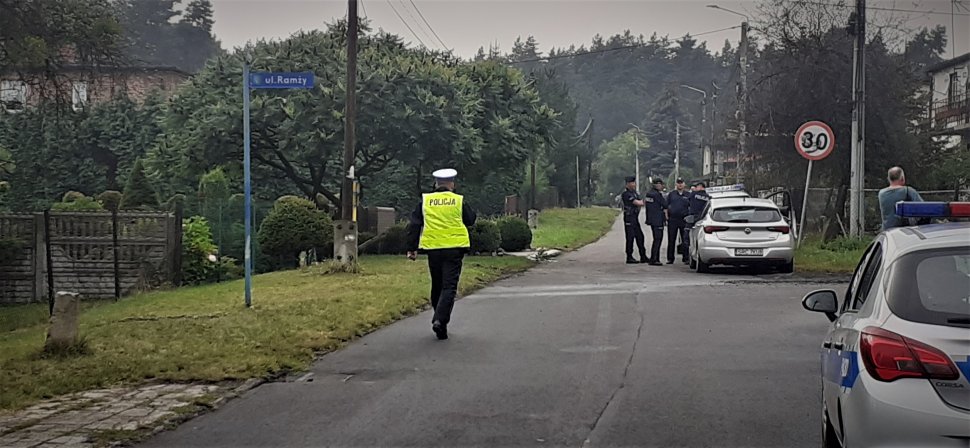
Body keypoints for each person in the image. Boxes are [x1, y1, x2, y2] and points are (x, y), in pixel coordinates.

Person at [406, 168, 477, 340]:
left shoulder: (425, 201)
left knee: (437, 284)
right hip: (454, 249)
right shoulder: (458, 201)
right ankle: (440, 319)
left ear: (436, 184)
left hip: (433, 249)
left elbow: (414, 225)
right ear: (452, 184)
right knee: (449, 286)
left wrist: (412, 248)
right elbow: (470, 220)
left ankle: (440, 321)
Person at [878, 166, 923, 230]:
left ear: (888, 179)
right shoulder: (908, 191)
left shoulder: (881, 193)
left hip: (887, 231)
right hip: (904, 231)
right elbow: (923, 209)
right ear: (902, 178)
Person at [620, 176, 649, 264]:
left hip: (635, 218)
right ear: (627, 184)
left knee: (640, 237)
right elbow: (638, 202)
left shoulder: (635, 193)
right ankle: (629, 256)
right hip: (629, 217)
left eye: (634, 183)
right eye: (631, 183)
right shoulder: (626, 194)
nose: (633, 184)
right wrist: (642, 202)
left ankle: (643, 256)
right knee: (630, 238)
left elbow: (641, 201)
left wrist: (642, 201)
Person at [666, 178, 691, 264]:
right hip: (673, 219)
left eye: (681, 183)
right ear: (676, 184)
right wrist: (666, 217)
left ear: (684, 184)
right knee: (671, 239)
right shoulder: (671, 194)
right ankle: (670, 258)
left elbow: (691, 206)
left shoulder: (688, 194)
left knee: (685, 240)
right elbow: (666, 206)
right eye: (678, 183)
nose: (680, 184)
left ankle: (686, 258)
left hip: (684, 220)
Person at [644, 178, 668, 266]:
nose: (661, 186)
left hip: (651, 219)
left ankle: (655, 258)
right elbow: (665, 204)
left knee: (655, 238)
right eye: (661, 184)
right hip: (658, 219)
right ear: (657, 185)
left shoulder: (648, 194)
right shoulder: (657, 195)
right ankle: (654, 259)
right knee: (658, 239)